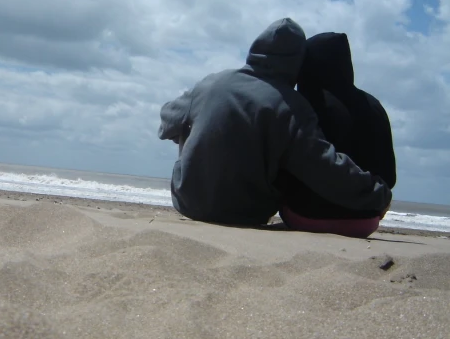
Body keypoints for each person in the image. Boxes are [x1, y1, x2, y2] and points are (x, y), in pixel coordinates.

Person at [157, 18, 392, 227]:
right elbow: (323, 165)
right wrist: (377, 194)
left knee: (195, 122)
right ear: (298, 63)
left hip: (187, 202)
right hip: (246, 214)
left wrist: (192, 130)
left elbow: (167, 121)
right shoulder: (291, 105)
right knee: (283, 146)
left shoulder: (211, 83)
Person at [276, 32, 397, 237]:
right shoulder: (374, 106)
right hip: (365, 221)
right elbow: (389, 177)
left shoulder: (303, 104)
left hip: (304, 215)